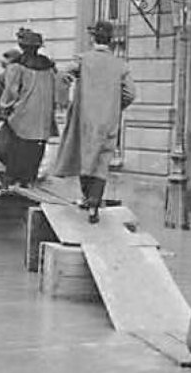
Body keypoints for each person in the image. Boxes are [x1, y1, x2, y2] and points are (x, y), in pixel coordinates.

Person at [53, 21, 134, 223]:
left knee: (85, 157)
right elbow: (130, 93)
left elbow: (63, 75)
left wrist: (63, 100)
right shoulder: (120, 65)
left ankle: (86, 197)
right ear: (111, 41)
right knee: (102, 161)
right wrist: (116, 105)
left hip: (85, 117)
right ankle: (94, 203)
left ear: (93, 39)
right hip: (108, 119)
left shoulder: (83, 60)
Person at [0, 28, 57, 187]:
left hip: (20, 122)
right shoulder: (49, 68)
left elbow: (10, 94)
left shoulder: (16, 67)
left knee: (2, 150)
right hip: (42, 125)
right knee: (31, 166)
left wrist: (5, 110)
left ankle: (12, 189)